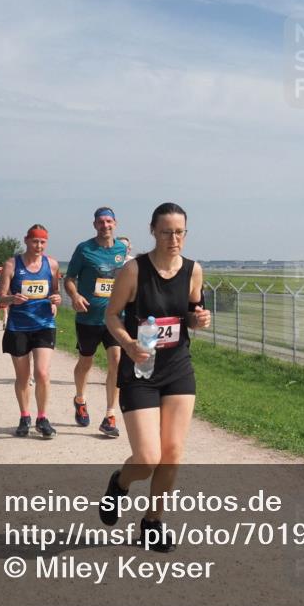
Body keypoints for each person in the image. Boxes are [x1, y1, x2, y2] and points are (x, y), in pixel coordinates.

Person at [100, 203, 210, 551]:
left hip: (177, 368)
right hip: (140, 370)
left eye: (179, 232)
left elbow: (190, 313)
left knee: (173, 452)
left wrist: (198, 320)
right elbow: (112, 316)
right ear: (153, 231)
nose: (173, 238)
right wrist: (130, 344)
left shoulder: (194, 271)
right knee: (147, 458)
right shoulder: (134, 270)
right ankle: (119, 483)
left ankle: (152, 522)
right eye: (166, 231)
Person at [64, 207, 128, 438]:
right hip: (89, 318)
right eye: (101, 222)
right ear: (95, 225)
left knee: (116, 361)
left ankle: (110, 415)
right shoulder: (84, 249)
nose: (105, 225)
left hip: (115, 318)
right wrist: (74, 295)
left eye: (109, 221)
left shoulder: (122, 249)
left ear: (115, 223)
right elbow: (69, 279)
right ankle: (80, 399)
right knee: (86, 362)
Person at [0, 225, 63, 439]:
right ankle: (24, 416)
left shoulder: (51, 264)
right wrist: (12, 299)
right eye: (35, 241)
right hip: (18, 327)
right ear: (26, 240)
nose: (38, 246)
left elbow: (55, 291)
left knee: (42, 373)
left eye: (43, 242)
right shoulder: (12, 264)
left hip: (44, 324)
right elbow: (0, 298)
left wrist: (56, 300)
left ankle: (42, 418)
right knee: (23, 377)